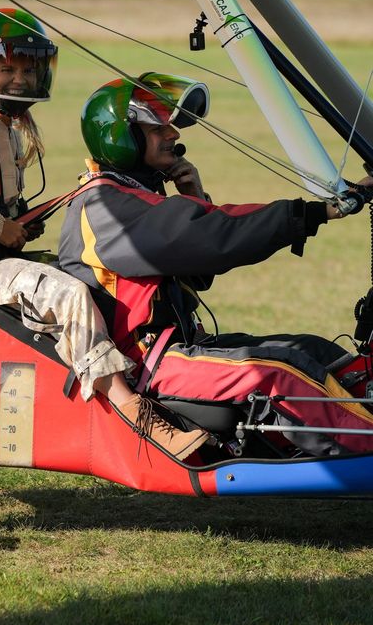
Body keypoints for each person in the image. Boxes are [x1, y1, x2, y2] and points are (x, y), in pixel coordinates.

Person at [0, 10, 206, 458]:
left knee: (87, 277)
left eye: (29, 70)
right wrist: (0, 227)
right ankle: (135, 413)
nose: (19, 80)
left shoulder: (2, 125)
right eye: (8, 69)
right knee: (70, 295)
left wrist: (18, 223)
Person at [58, 71, 373, 458]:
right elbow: (216, 236)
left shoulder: (131, 196)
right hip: (145, 365)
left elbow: (198, 271)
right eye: (158, 128)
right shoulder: (106, 207)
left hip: (178, 348)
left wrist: (193, 194)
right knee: (281, 373)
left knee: (315, 351)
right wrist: (312, 213)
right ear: (122, 138)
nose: (173, 134)